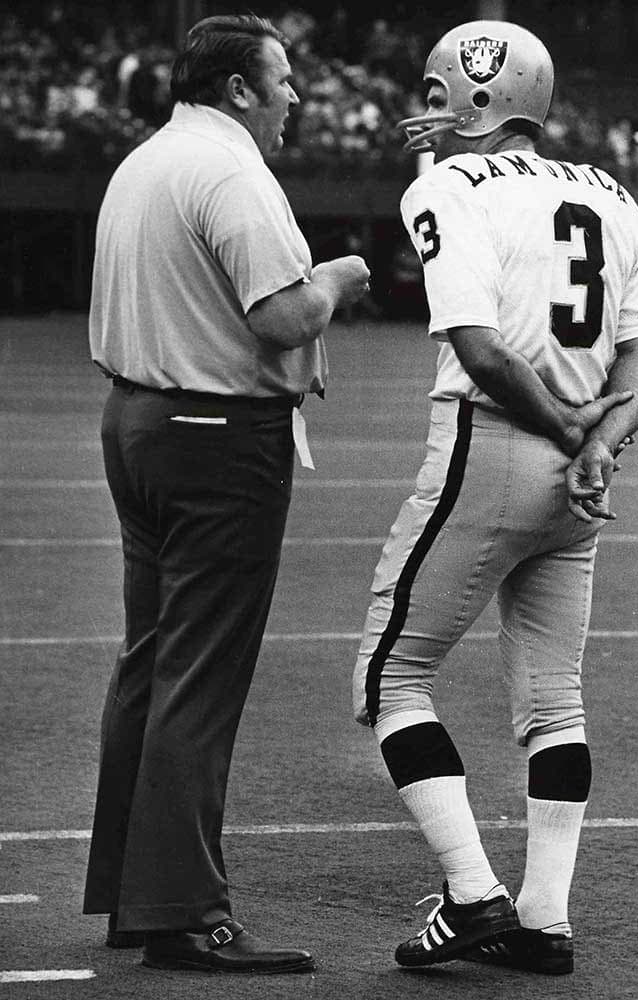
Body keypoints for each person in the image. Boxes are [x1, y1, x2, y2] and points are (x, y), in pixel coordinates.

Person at [352, 20, 638, 976]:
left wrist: (572, 430)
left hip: (493, 448)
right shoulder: (612, 194)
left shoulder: (445, 185)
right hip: (581, 476)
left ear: (481, 97)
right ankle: (543, 919)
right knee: (556, 705)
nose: (430, 106)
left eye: (443, 90)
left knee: (389, 681)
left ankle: (473, 893)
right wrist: (601, 439)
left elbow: (478, 344)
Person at [84, 12, 369, 975]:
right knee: (200, 674)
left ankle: (136, 891)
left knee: (154, 662)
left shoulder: (148, 159)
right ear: (240, 88)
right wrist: (339, 274)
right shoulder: (233, 171)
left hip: (137, 421)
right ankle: (183, 910)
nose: (294, 95)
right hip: (214, 438)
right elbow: (283, 314)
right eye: (281, 79)